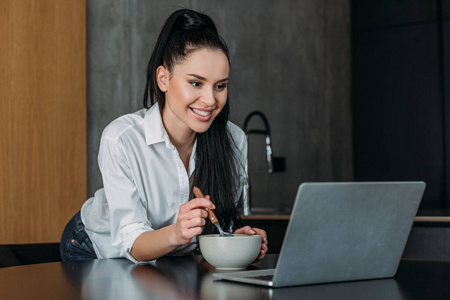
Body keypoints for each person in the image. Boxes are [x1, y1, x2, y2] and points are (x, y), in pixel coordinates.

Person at [60, 8, 268, 263]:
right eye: (196, 83)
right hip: (97, 249)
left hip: (172, 255)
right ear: (163, 79)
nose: (210, 99)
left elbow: (213, 225)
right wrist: (177, 233)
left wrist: (235, 240)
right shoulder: (121, 139)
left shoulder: (233, 141)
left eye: (220, 86)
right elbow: (132, 243)